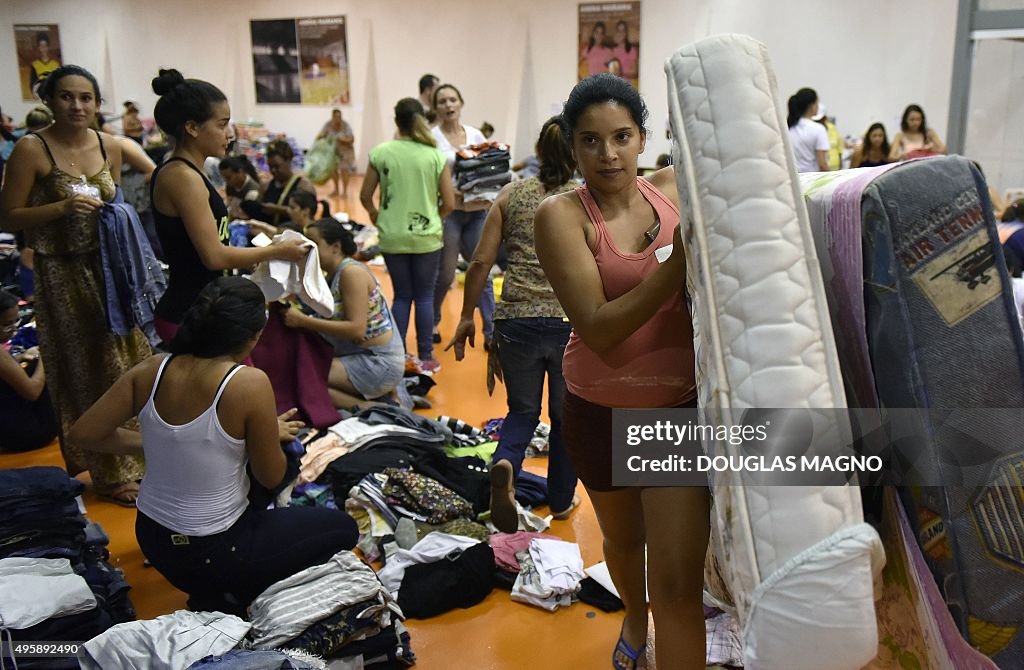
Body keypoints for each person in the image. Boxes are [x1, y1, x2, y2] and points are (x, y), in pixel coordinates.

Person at [534, 74, 708, 669]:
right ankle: (634, 615)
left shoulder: (675, 190)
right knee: (624, 541)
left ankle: (657, 623)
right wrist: (674, 264)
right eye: (590, 141)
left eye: (621, 137)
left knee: (679, 585)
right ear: (572, 147)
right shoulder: (561, 216)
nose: (607, 154)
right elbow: (601, 328)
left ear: (641, 138)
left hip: (674, 409)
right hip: (597, 407)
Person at [68, 276, 359, 614]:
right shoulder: (247, 383)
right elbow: (271, 475)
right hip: (215, 552)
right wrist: (262, 434)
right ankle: (235, 593)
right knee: (341, 529)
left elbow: (85, 433)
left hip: (154, 539)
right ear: (252, 337)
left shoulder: (151, 368)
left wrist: (164, 443)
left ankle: (223, 586)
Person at [0, 64, 150, 505]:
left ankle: (140, 456)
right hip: (63, 273)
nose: (77, 106)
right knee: (88, 369)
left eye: (86, 98)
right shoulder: (32, 148)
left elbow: (116, 204)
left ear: (98, 104)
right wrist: (61, 208)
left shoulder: (111, 146)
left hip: (111, 269)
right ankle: (107, 470)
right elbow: (7, 216)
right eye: (67, 97)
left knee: (131, 361)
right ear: (48, 100)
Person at [446, 116, 581, 531]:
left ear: (538, 152)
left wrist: (468, 316)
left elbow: (481, 262)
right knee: (565, 417)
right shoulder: (583, 198)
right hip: (567, 321)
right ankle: (560, 501)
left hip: (515, 321)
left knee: (522, 411)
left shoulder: (511, 193)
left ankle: (505, 462)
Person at [148, 68, 306, 344]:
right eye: (222, 125)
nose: (229, 134)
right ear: (192, 127)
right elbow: (214, 256)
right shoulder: (181, 176)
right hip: (188, 313)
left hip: (206, 307)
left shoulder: (194, 171)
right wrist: (276, 251)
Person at [360, 98, 454, 372]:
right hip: (427, 237)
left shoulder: (381, 153)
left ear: (396, 120)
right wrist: (435, 218)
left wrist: (377, 215)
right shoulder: (435, 155)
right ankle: (426, 356)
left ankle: (398, 355)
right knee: (424, 297)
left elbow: (365, 196)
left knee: (402, 296)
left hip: (392, 236)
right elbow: (448, 203)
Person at [285, 219, 405, 408]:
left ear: (335, 247)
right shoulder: (330, 275)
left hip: (377, 362)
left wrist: (303, 321)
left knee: (304, 377)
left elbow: (356, 329)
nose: (307, 250)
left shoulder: (351, 273)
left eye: (313, 244)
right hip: (360, 355)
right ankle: (374, 399)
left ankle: (372, 407)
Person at [430, 83, 496, 351]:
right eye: (442, 101)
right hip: (450, 212)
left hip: (477, 210)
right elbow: (430, 174)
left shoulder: (475, 134)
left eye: (452, 100)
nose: (448, 105)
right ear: (436, 107)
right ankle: (433, 321)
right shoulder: (432, 138)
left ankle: (491, 334)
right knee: (446, 275)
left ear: (461, 103)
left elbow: (488, 167)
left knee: (484, 272)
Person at [0, 290, 58, 452]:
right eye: (6, 324)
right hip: (27, 434)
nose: (12, 330)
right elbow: (32, 392)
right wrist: (45, 358)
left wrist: (19, 358)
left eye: (15, 322)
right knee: (35, 368)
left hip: (7, 432)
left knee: (28, 362)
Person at [250, 140, 316, 228]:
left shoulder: (304, 186)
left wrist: (277, 210)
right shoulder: (265, 186)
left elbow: (309, 215)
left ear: (288, 161)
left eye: (277, 166)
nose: (273, 170)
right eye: (270, 166)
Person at [787, 87, 830, 172]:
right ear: (812, 105)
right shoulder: (818, 129)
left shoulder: (789, 127)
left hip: (793, 178)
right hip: (812, 179)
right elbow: (822, 164)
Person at [316, 109, 356, 198]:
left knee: (344, 170)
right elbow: (320, 135)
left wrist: (342, 139)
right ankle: (336, 190)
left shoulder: (346, 126)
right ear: (332, 117)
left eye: (340, 117)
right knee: (333, 170)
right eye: (336, 117)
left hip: (345, 152)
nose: (338, 119)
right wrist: (322, 136)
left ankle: (345, 191)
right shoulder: (328, 125)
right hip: (332, 152)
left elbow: (351, 139)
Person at [218, 155, 261, 221]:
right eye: (224, 178)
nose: (226, 181)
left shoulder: (253, 192)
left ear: (240, 172)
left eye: (228, 178)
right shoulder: (231, 186)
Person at [813, 105, 843, 171]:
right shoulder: (813, 130)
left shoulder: (832, 128)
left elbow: (839, 146)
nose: (819, 121)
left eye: (821, 119)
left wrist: (841, 163)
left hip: (835, 168)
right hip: (821, 169)